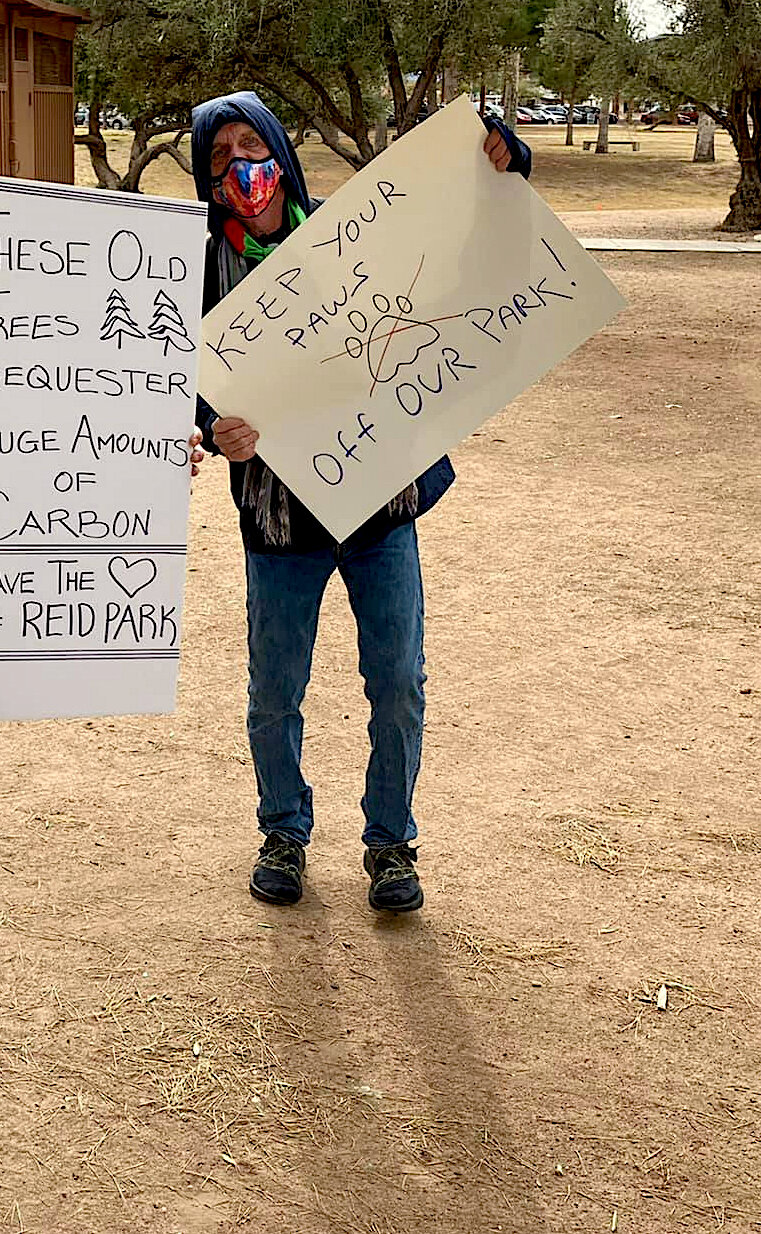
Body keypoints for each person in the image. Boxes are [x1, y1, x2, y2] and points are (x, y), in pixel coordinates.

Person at [189, 92, 530, 914]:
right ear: (205, 177)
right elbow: (175, 382)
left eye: (252, 145)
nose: (243, 166)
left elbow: (462, 247)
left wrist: (505, 162)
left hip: (379, 507)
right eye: (220, 155)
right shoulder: (194, 271)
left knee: (399, 683)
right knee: (274, 689)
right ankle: (283, 831)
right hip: (279, 521)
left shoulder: (355, 236)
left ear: (279, 149)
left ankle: (390, 845)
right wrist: (212, 428)